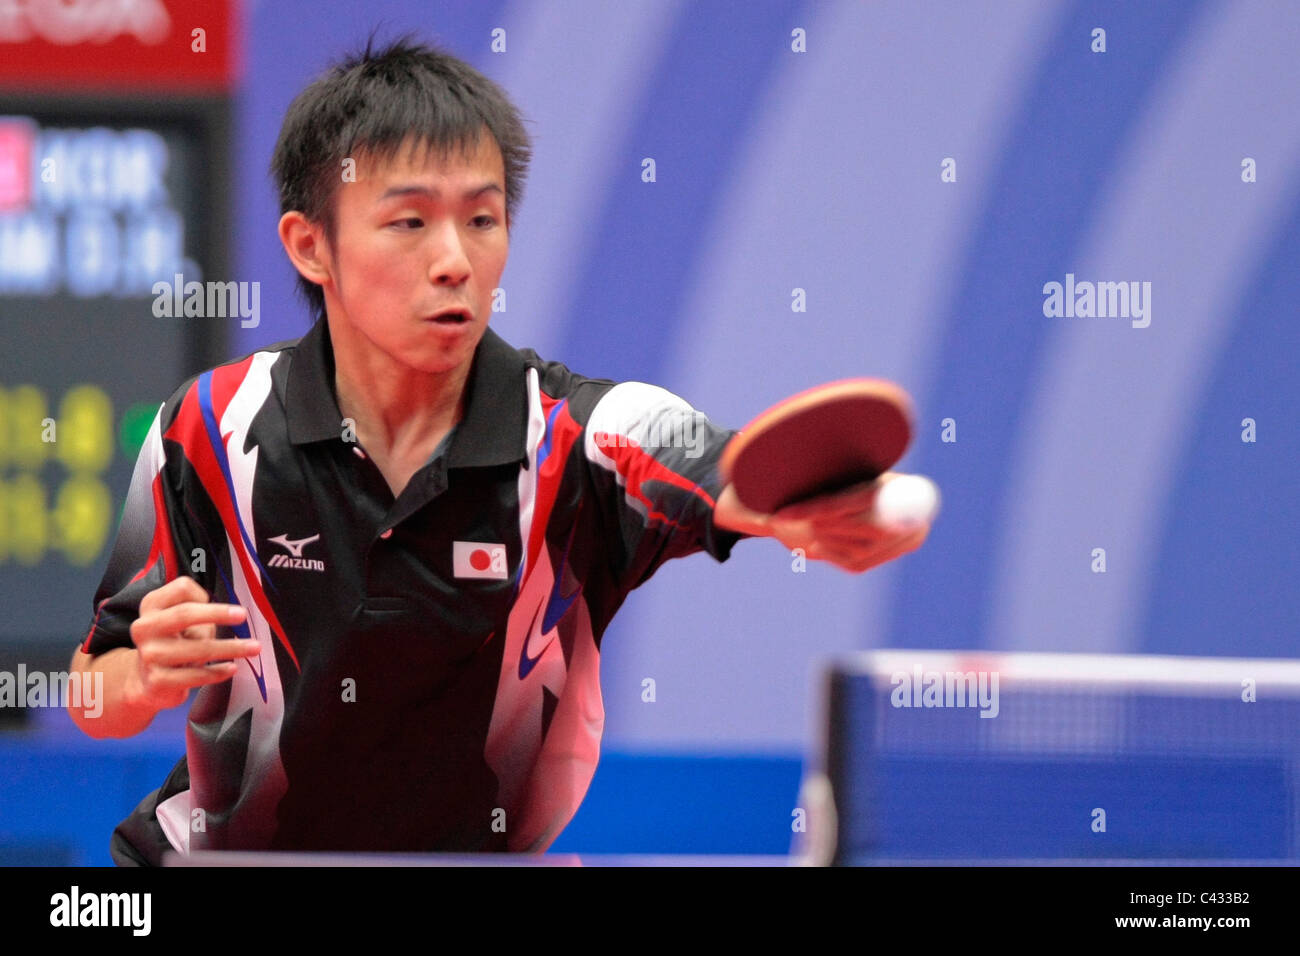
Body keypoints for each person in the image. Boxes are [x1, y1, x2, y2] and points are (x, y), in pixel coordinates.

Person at [67, 36, 930, 865]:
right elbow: (91, 691)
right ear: (311, 245)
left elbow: (723, 475)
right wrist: (139, 676)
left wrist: (809, 512)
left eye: (483, 218)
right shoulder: (210, 425)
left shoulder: (575, 437)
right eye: (408, 221)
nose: (455, 260)